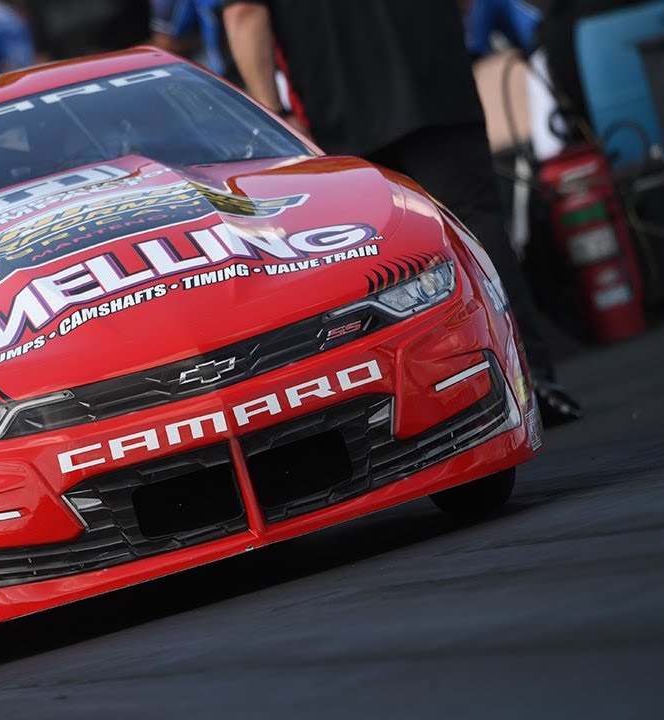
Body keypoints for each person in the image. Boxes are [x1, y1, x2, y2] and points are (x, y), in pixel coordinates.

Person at [222, 0, 581, 425]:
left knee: (363, 256)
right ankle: (529, 379)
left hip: (340, 106)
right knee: (475, 228)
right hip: (433, 80)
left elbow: (244, 13)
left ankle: (400, 406)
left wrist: (272, 112)